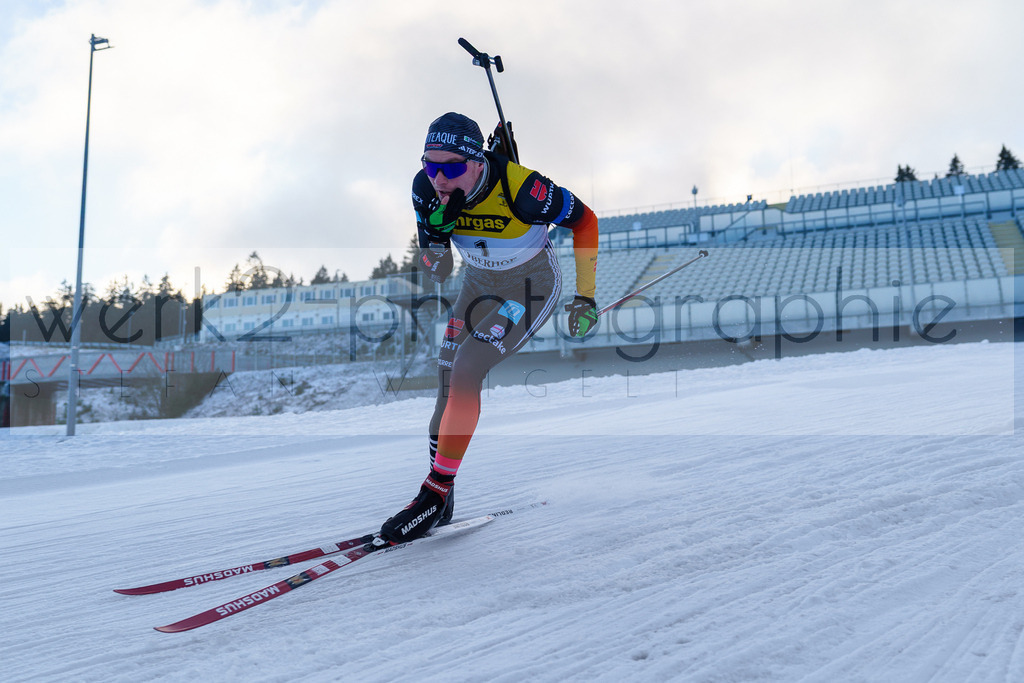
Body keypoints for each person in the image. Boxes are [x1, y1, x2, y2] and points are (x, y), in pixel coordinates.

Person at [378, 112, 599, 544]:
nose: (439, 179)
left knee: (467, 368)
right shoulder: (426, 189)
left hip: (530, 285)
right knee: (446, 380)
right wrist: (434, 237)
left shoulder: (523, 188)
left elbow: (585, 220)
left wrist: (585, 297)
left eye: (452, 167)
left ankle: (433, 493)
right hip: (478, 285)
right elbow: (438, 271)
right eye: (430, 165)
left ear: (478, 162)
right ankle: (442, 495)